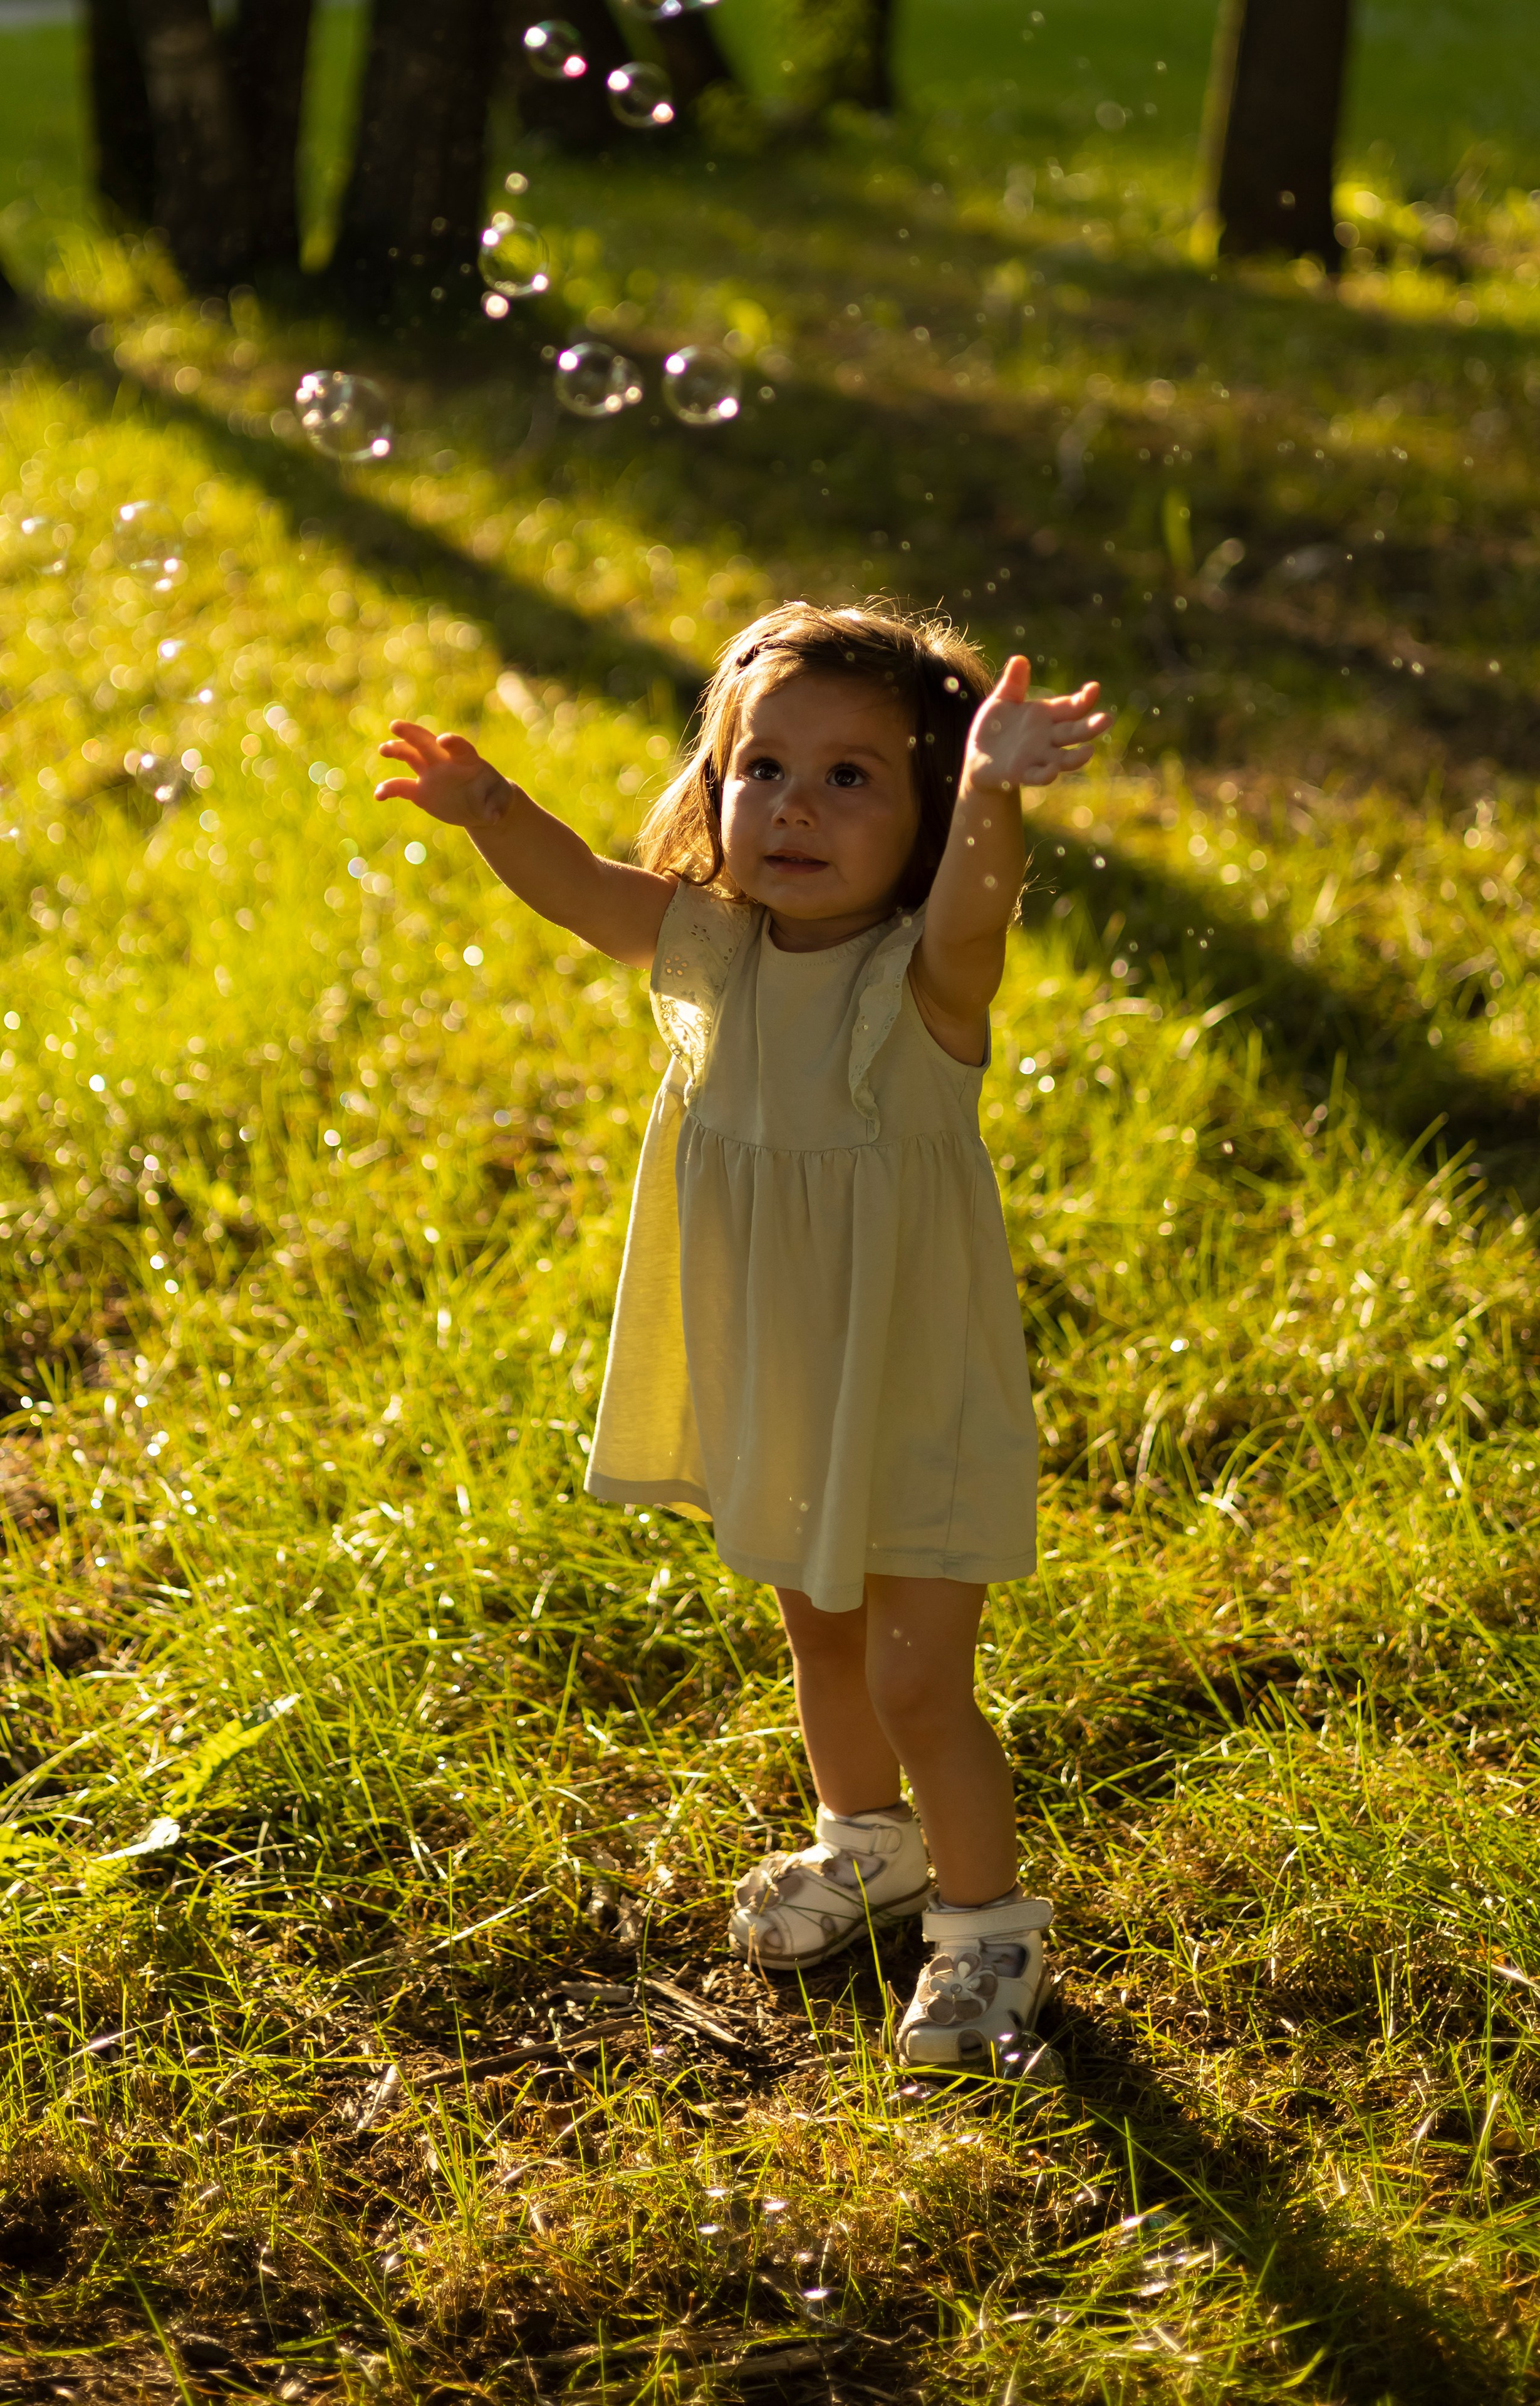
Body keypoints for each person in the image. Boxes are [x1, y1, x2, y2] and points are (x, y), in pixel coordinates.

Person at [377, 601, 1109, 2068]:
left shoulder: (920, 986)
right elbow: (581, 889)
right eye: (760, 768)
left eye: (853, 779)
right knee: (816, 1637)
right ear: (713, 790)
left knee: (916, 1677)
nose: (792, 806)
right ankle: (864, 1847)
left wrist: (993, 788)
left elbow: (975, 902)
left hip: (904, 1389)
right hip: (783, 1372)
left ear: (914, 818)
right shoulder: (708, 946)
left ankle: (983, 1930)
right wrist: (481, 805)